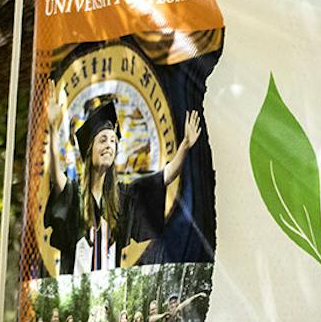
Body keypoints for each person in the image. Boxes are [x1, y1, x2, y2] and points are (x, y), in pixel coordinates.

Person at [43, 95, 202, 275]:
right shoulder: (75, 193)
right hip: (78, 289)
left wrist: (185, 145)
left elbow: (165, 176)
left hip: (108, 292)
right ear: (90, 150)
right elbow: (56, 177)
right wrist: (52, 128)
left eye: (113, 141)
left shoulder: (122, 197)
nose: (109, 145)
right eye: (103, 140)